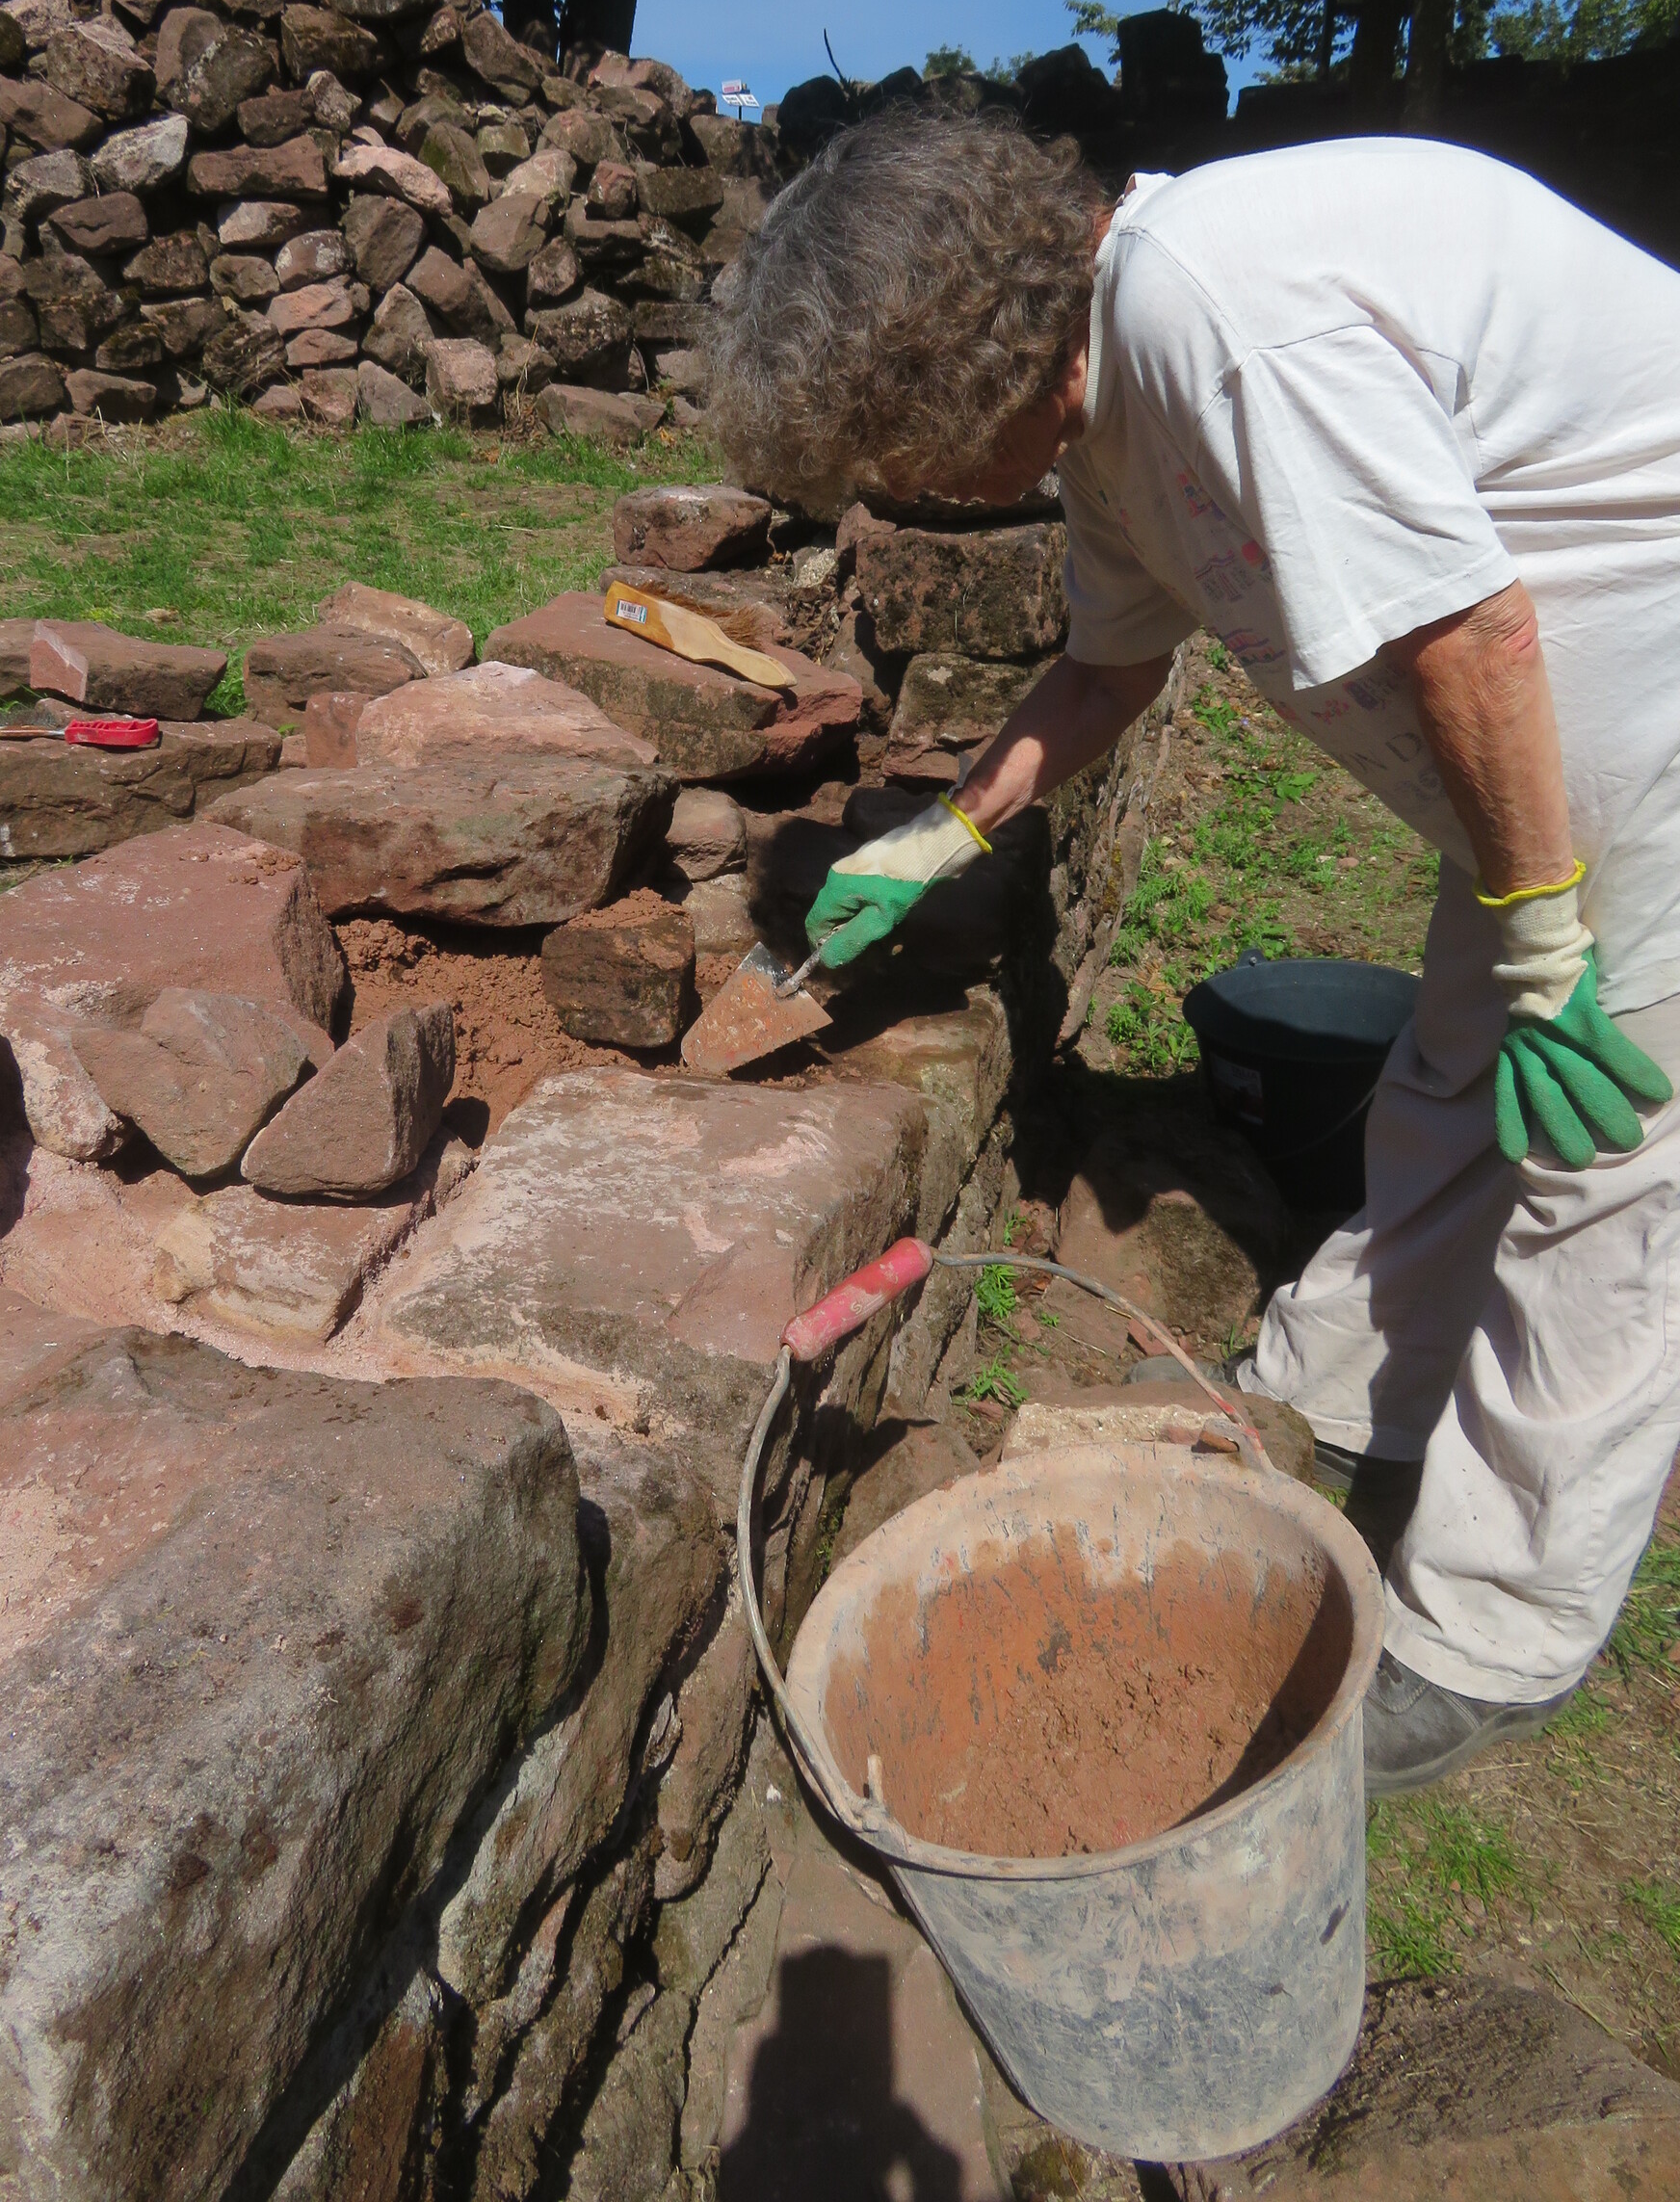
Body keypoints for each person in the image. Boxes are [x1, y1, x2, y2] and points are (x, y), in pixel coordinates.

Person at [705, 110, 1680, 1796]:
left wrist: (1540, 930)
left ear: (951, 366)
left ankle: (1495, 1629)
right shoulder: (1113, 394)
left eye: (896, 446)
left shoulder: (1216, 317)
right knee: (1458, 1072)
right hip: (1550, 772)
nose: (906, 489)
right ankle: (1344, 1398)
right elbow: (1109, 667)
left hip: (1644, 706)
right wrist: (945, 835)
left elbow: (1472, 629)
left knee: (1605, 1166)